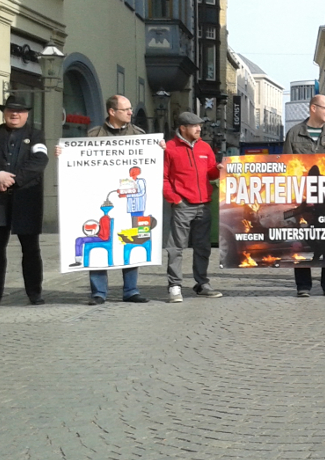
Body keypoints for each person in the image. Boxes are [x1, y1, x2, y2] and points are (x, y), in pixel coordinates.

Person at [56, 95, 161, 305]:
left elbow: (149, 163)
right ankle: (98, 292)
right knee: (99, 235)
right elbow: (81, 161)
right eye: (126, 109)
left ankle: (131, 290)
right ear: (112, 112)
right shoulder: (94, 134)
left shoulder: (138, 135)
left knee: (132, 237)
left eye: (131, 109)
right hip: (101, 197)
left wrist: (159, 149)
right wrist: (64, 154)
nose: (131, 113)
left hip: (131, 204)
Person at [0, 94, 48, 307]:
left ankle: (34, 293)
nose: (14, 114)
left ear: (26, 114)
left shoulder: (36, 135)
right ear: (4, 113)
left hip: (26, 200)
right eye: (10, 110)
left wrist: (12, 180)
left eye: (19, 111)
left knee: (31, 249)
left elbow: (39, 161)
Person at [283, 95, 325, 297]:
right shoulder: (294, 133)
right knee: (304, 241)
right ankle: (303, 286)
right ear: (313, 108)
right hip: (306, 199)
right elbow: (286, 165)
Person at [163, 111, 224, 303]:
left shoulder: (205, 147)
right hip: (183, 204)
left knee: (203, 247)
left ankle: (202, 283)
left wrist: (218, 170)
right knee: (176, 247)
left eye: (200, 125)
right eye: (195, 126)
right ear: (183, 128)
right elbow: (163, 177)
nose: (199, 129)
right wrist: (174, 199)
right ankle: (174, 285)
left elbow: (211, 174)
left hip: (204, 204)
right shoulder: (169, 148)